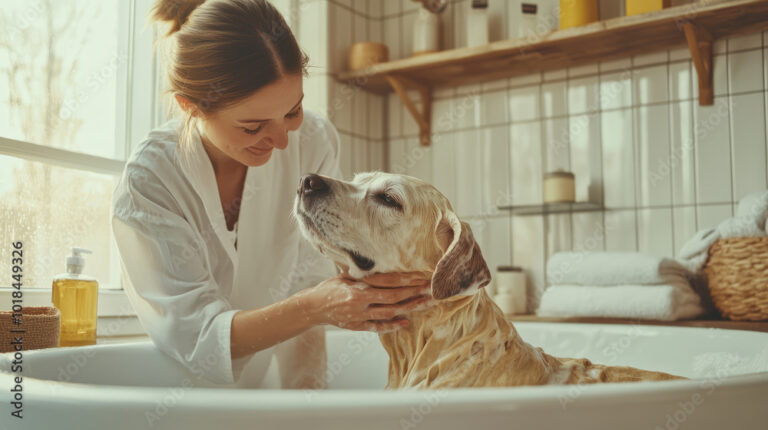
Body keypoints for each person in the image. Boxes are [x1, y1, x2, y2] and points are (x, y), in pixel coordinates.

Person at [111, 0, 433, 389]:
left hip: (265, 392)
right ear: (190, 106)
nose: (282, 140)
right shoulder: (152, 181)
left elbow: (308, 283)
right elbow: (197, 336)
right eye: (253, 127)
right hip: (174, 403)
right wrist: (315, 307)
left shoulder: (312, 139)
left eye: (292, 111)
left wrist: (309, 404)